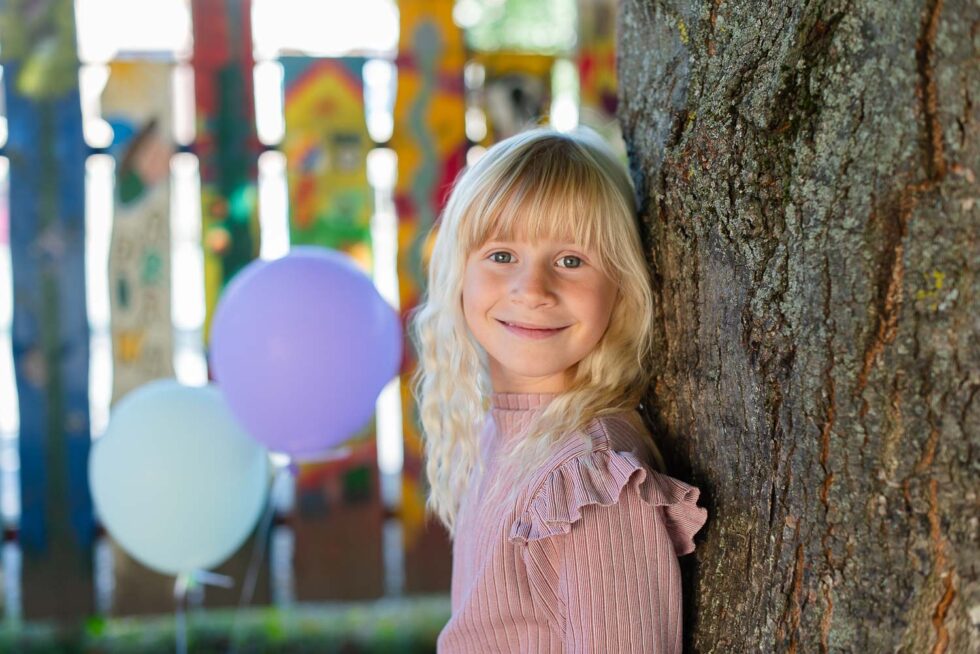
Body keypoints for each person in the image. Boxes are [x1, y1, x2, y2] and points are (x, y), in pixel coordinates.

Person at [409, 126, 708, 653]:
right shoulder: (496, 436)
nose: (532, 289)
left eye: (571, 260)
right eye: (502, 255)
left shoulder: (590, 486)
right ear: (460, 273)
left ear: (621, 286)